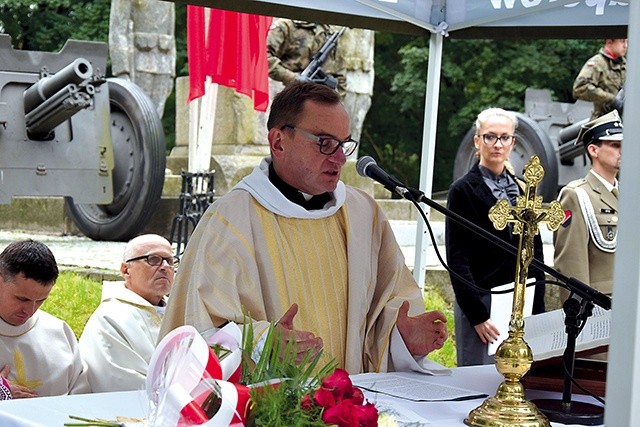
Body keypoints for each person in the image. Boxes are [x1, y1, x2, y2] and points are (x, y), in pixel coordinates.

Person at [160, 81, 447, 374]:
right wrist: (264, 343)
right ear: (279, 142)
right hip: (271, 410)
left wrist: (402, 338)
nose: (339, 158)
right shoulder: (230, 220)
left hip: (352, 405)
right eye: (324, 142)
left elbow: (385, 312)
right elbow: (198, 330)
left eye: (344, 144)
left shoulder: (364, 215)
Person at [445, 108, 546, 367]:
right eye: (490, 137)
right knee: (479, 380)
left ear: (513, 142)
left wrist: (536, 308)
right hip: (483, 302)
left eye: (505, 137)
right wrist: (477, 314)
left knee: (518, 379)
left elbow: (535, 253)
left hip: (520, 301)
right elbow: (457, 258)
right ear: (477, 141)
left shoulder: (524, 189)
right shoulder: (463, 190)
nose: (498, 144)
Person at [79, 234, 176, 392]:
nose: (165, 267)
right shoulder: (110, 318)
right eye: (153, 259)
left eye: (170, 261)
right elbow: (119, 381)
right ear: (126, 270)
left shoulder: (179, 313)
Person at [0, 239, 90, 397]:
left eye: (41, 301)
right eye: (23, 299)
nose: (30, 311)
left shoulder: (59, 332)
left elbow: (80, 396)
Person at [554, 110, 622, 302]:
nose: (622, 151)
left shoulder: (628, 195)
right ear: (594, 150)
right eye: (615, 145)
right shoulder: (576, 195)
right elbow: (571, 264)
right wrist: (580, 317)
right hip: (601, 307)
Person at [109, 0, 176, 118]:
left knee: (156, 119)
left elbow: (171, 33)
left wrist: (171, 71)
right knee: (136, 117)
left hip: (163, 63)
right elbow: (118, 30)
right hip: (137, 62)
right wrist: (122, 71)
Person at [267, 19, 347, 98]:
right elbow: (265, 57)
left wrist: (337, 101)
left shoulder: (328, 31)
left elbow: (340, 72)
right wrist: (291, 78)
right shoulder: (286, 26)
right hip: (289, 93)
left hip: (321, 99)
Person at [573, 38, 627, 120]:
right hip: (602, 121)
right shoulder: (597, 63)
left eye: (626, 42)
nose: (625, 45)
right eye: (622, 41)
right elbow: (580, 88)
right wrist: (612, 100)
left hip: (625, 121)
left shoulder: (626, 66)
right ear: (609, 42)